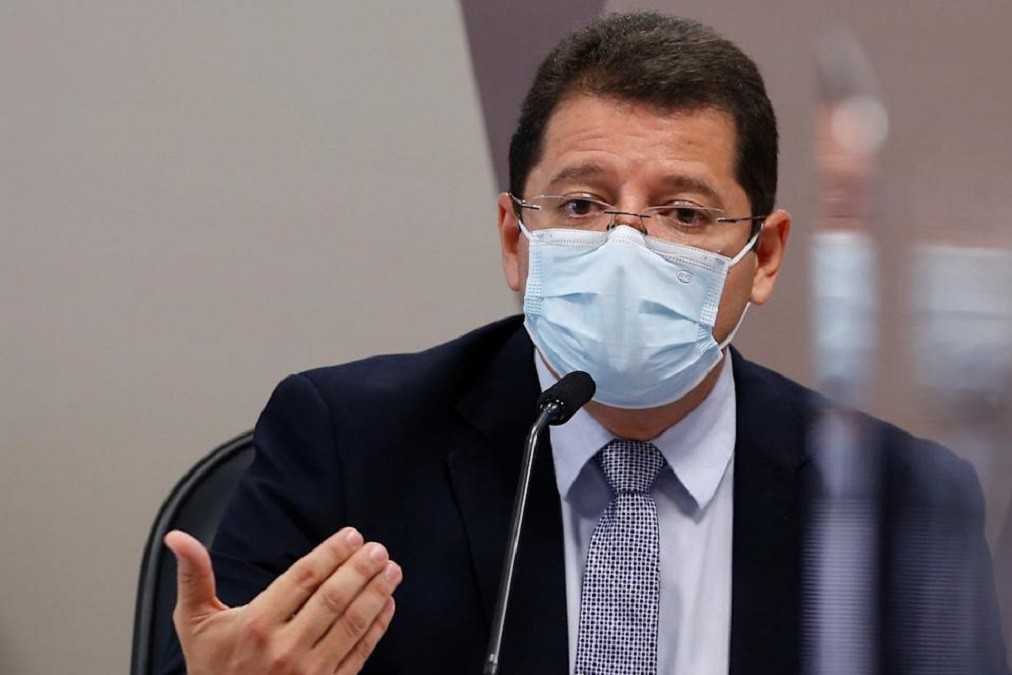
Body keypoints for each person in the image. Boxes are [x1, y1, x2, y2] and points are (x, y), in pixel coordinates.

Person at [160, 12, 1008, 675]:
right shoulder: (350, 446)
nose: (624, 248)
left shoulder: (905, 502)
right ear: (513, 238)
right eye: (581, 206)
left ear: (766, 256)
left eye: (683, 212)